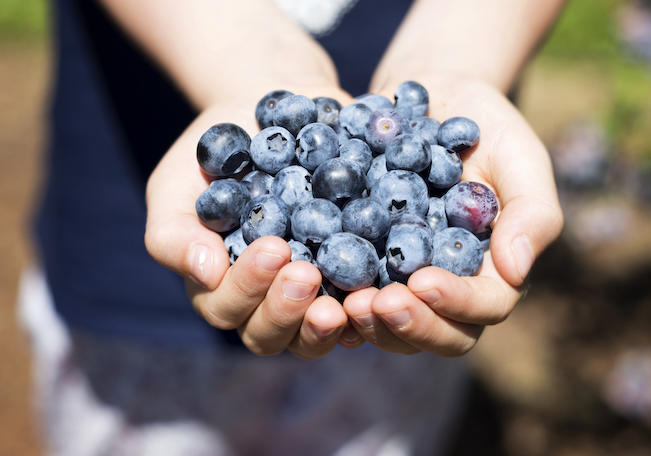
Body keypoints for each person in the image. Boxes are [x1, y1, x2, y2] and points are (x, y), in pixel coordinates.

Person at [20, 0, 565, 454]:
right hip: (128, 300)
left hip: (389, 348)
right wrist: (238, 52)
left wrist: (460, 59)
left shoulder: (411, 178)